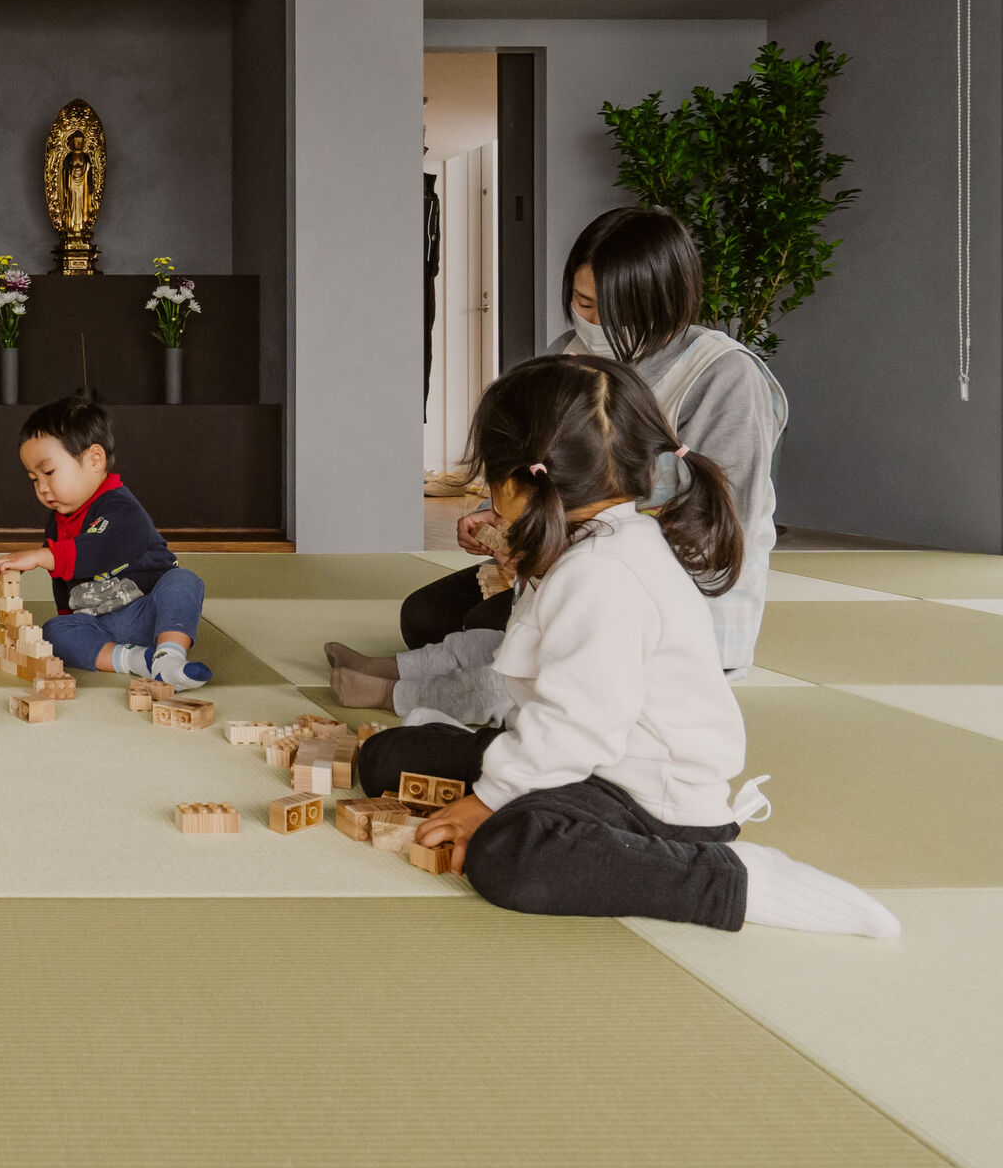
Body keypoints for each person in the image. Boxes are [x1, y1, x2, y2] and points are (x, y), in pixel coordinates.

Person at [363, 354, 896, 938]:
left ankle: (729, 879)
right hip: (593, 758)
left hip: (652, 801)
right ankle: (509, 775)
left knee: (507, 856)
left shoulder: (602, 574)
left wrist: (489, 799)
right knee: (387, 759)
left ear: (522, 481)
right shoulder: (587, 536)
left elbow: (580, 723)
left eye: (492, 478)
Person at [333, 207, 787, 720]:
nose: (593, 323)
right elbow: (531, 457)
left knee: (510, 642)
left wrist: (553, 550)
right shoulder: (570, 353)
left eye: (614, 309)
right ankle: (421, 672)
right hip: (566, 559)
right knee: (427, 616)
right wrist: (499, 516)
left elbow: (721, 533)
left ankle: (424, 688)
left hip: (653, 586)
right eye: (583, 302)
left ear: (667, 302)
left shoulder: (724, 377)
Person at [0, 397, 210, 689]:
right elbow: (62, 580)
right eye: (33, 479)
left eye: (49, 473)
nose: (42, 488)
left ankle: (169, 653)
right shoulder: (58, 520)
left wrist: (41, 556)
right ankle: (140, 660)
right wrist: (69, 618)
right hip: (98, 623)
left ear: (95, 459)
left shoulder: (121, 508)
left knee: (184, 581)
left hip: (148, 612)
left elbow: (97, 552)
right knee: (54, 632)